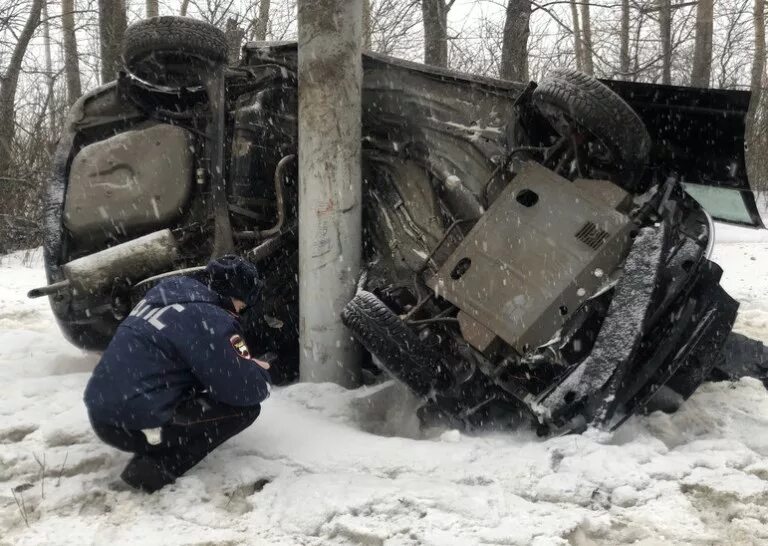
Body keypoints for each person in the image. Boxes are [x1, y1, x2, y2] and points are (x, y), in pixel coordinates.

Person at [84, 255, 271, 493]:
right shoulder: (211, 318)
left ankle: (154, 434)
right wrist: (257, 370)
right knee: (245, 409)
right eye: (242, 306)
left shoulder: (168, 290)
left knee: (192, 374)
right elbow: (244, 390)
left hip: (101, 415)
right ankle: (155, 469)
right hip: (131, 426)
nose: (240, 313)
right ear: (234, 296)